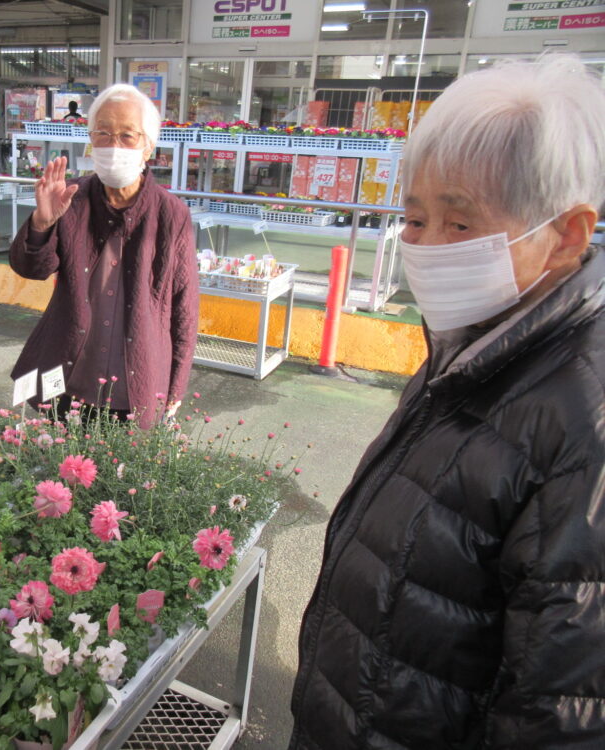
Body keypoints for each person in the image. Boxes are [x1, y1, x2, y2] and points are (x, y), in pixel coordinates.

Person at [289, 56, 605, 750]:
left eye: (459, 225)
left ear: (569, 235)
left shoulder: (581, 428)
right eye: (414, 218)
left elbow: (560, 713)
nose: (426, 249)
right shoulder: (473, 347)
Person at [9, 83, 198, 426]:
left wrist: (177, 383)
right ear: (90, 139)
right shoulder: (71, 197)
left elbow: (184, 306)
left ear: (148, 147)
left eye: (127, 136)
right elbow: (33, 269)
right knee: (56, 471)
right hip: (67, 379)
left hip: (135, 383)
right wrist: (42, 223)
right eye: (103, 134)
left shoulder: (172, 214)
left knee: (123, 477)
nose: (114, 145)